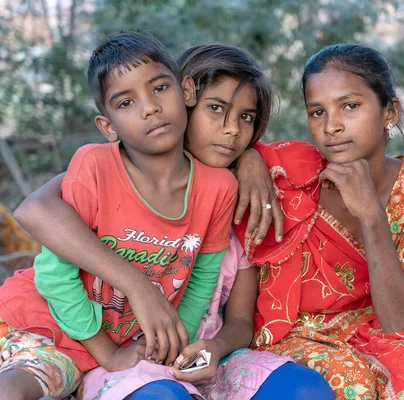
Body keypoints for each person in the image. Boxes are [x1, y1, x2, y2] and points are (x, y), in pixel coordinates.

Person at [13, 42, 333, 399]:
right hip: (102, 342)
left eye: (246, 118)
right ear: (190, 98)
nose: (231, 131)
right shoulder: (100, 168)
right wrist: (136, 291)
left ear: (181, 94)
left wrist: (251, 160)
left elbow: (227, 308)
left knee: (303, 389)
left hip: (190, 348)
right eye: (215, 110)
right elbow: (35, 212)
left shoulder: (228, 189)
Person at [233, 44, 404, 399]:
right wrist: (248, 160)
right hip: (291, 337)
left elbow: (402, 324)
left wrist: (371, 214)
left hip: (376, 331)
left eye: (350, 106)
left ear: (390, 111)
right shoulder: (287, 171)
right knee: (353, 382)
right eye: (317, 112)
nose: (332, 126)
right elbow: (226, 149)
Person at [0, 30, 239, 400]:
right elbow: (53, 274)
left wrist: (174, 342)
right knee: (17, 389)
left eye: (160, 88)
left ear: (186, 91)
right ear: (108, 127)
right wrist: (108, 352)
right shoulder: (94, 166)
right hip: (47, 327)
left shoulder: (218, 188)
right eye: (126, 103)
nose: (150, 108)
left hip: (120, 349)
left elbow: (201, 280)